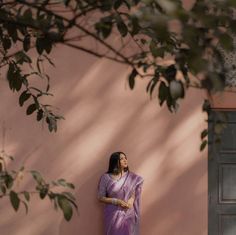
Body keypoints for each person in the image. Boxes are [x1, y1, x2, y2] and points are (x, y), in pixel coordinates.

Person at [97, 152, 144, 235]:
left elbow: (134, 191)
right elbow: (100, 197)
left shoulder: (131, 177)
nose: (125, 160)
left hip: (128, 213)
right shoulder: (105, 177)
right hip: (112, 215)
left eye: (125, 158)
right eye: (122, 158)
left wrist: (131, 201)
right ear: (115, 161)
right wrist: (117, 201)